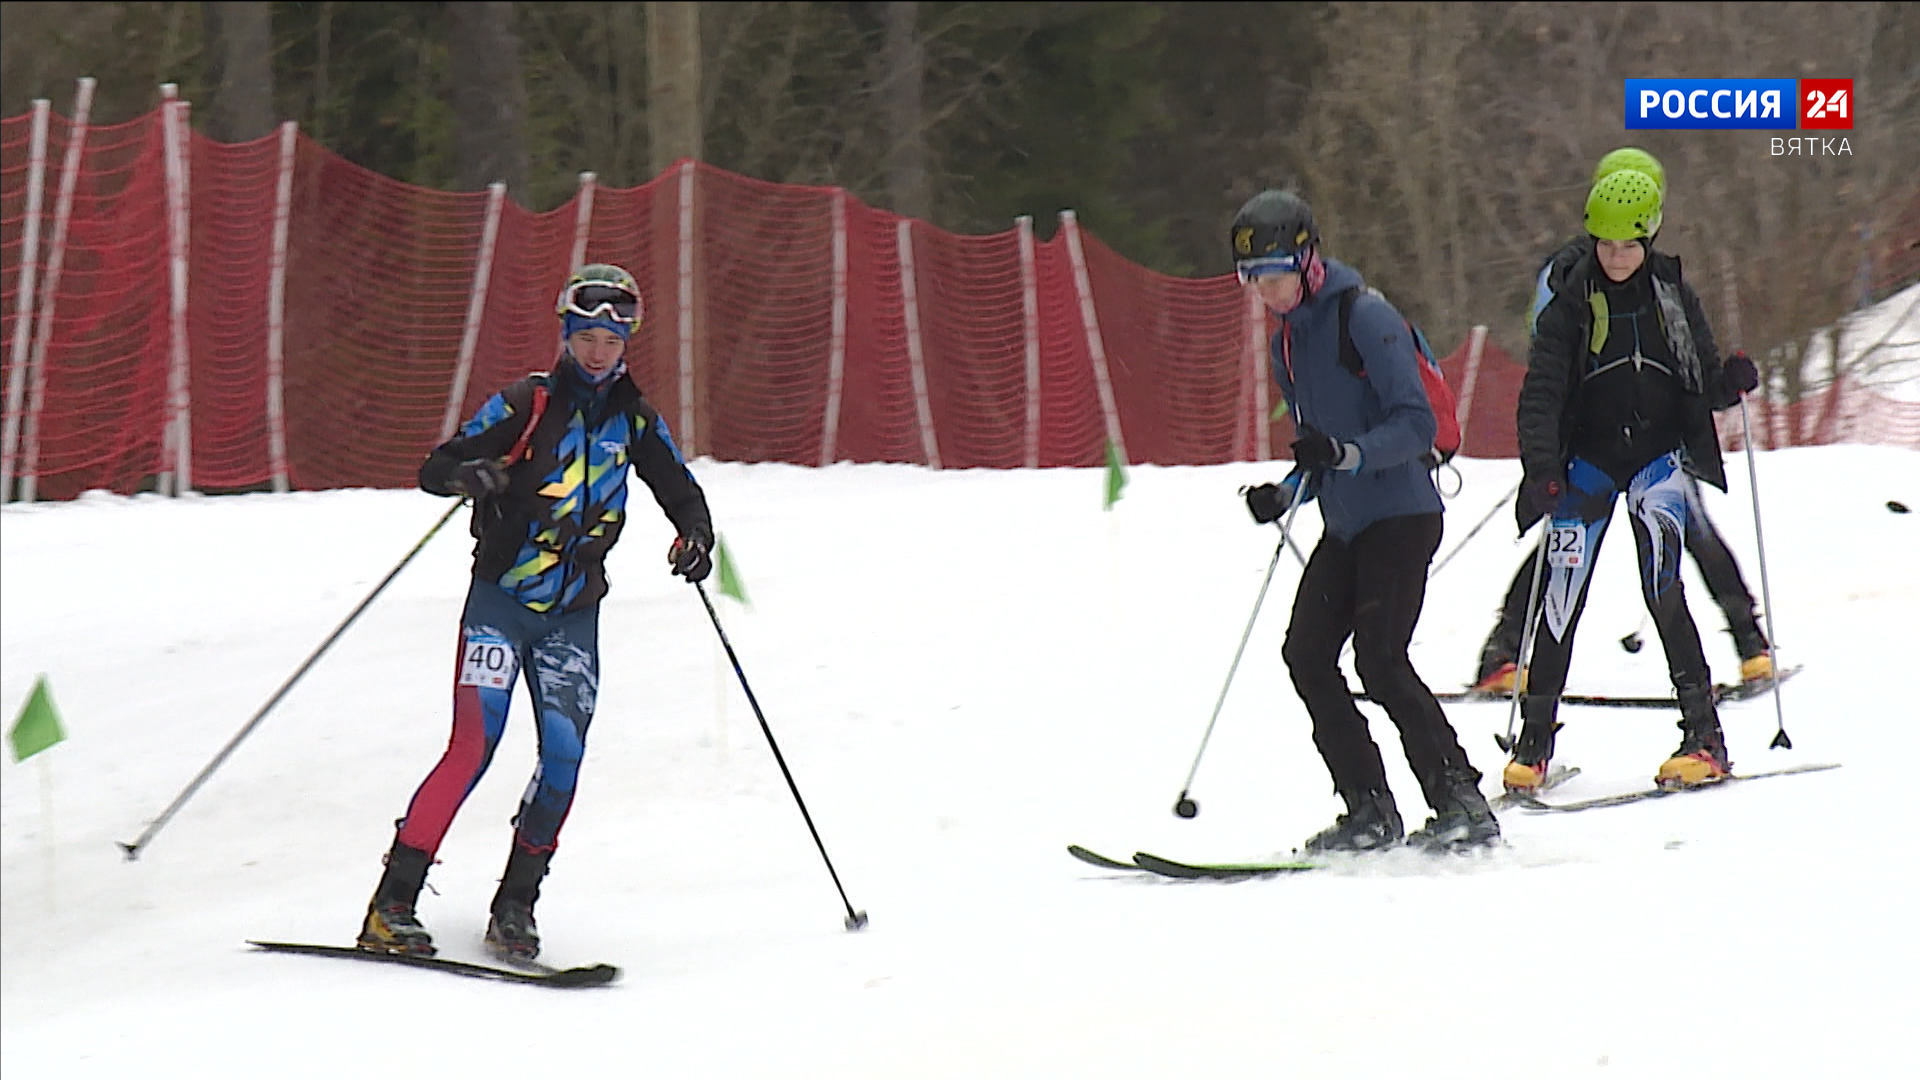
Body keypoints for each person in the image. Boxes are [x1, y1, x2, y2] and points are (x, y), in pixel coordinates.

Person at [357, 264, 716, 960]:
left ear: (627, 342)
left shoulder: (635, 418)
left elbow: (681, 488)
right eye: (585, 336)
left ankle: (515, 906)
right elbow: (438, 465)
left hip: (572, 613)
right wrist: (471, 475)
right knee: (473, 747)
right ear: (566, 333)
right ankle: (390, 904)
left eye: (611, 340)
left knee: (563, 759)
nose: (597, 352)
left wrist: (696, 538)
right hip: (501, 604)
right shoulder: (529, 401)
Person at [1233, 190, 1499, 853]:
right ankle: (1368, 809)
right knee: (1306, 655)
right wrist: (1286, 493)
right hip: (1348, 524)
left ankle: (1460, 798)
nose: (1268, 291)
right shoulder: (1287, 346)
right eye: (1254, 280)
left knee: (1380, 660)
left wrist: (1346, 456)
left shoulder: (1365, 317)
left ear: (1306, 259)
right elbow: (1317, 448)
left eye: (1276, 274)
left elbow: (1414, 424)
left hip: (1403, 516)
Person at [1471, 147, 1771, 695]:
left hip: (1639, 437)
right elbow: (1552, 346)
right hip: (1598, 437)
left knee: (1578, 547)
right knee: (1655, 538)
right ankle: (1750, 640)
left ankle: (1504, 646)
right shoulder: (1578, 272)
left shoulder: (1619, 269)